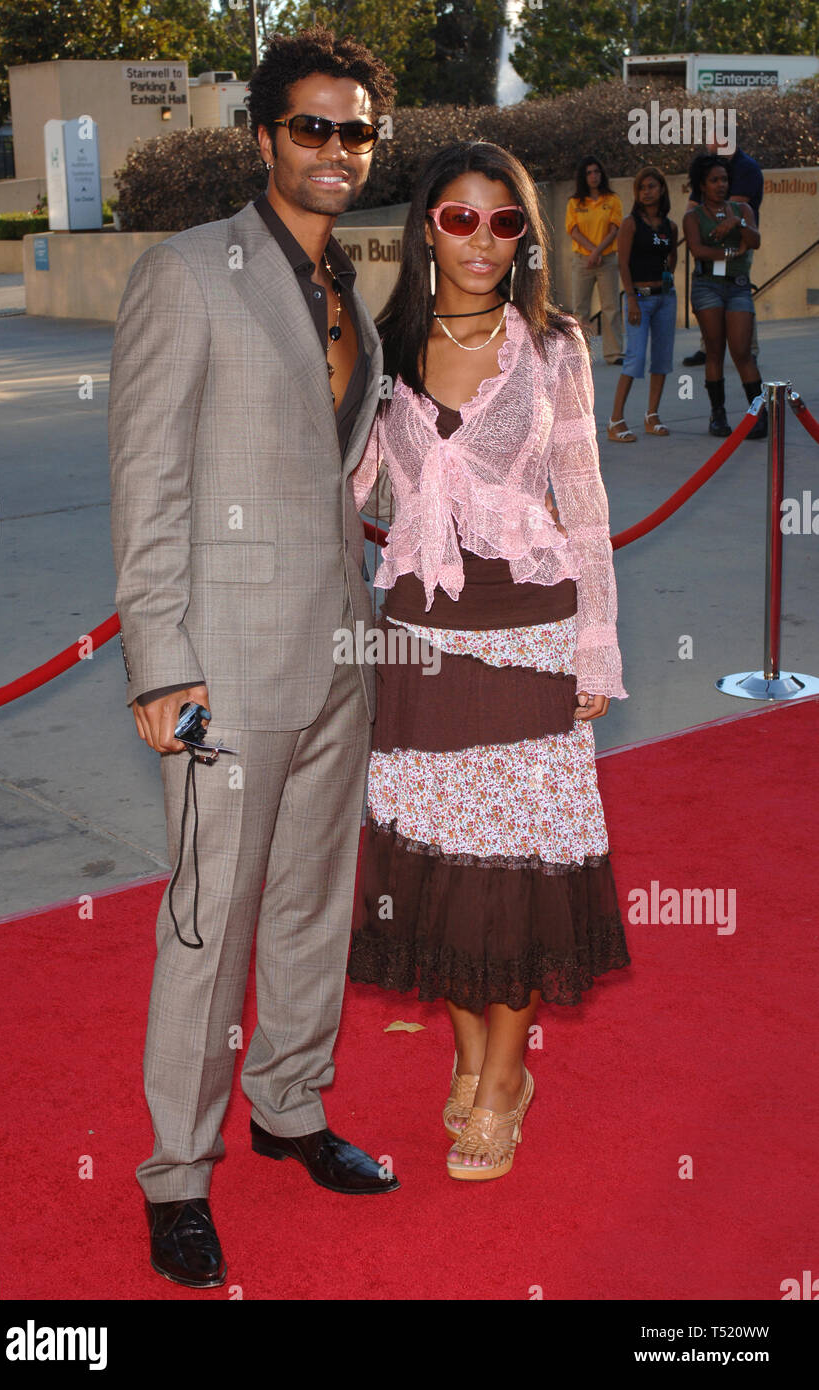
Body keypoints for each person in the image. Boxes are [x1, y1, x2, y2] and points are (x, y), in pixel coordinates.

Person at [108, 26, 400, 1292]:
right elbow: (147, 482)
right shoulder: (190, 271)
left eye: (356, 131)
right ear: (265, 137)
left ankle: (287, 1105)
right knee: (204, 921)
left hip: (340, 645)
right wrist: (160, 663)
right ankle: (176, 1172)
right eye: (312, 127)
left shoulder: (347, 287)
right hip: (222, 662)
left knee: (309, 899)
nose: (336, 150)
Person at [348, 141, 631, 1183]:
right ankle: (471, 1056)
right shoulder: (386, 348)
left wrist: (595, 642)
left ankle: (503, 1078)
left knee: (511, 871)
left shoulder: (553, 345)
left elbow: (584, 503)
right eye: (458, 219)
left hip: (528, 634)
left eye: (502, 220)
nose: (480, 240)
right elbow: (354, 484)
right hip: (417, 639)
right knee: (441, 866)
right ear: (426, 226)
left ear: (526, 235)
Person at [682, 153, 765, 440]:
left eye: (725, 179)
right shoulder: (693, 216)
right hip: (707, 286)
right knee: (714, 349)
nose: (721, 185)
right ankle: (718, 416)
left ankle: (759, 414)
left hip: (739, 286)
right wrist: (733, 252)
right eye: (714, 180)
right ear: (702, 185)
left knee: (742, 351)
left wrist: (737, 225)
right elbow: (698, 250)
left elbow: (755, 241)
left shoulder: (742, 209)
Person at [608, 166, 678, 443]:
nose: (647, 192)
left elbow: (672, 256)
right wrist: (632, 299)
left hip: (665, 298)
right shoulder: (630, 223)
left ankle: (652, 416)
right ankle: (615, 420)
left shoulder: (670, 226)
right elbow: (622, 263)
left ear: (662, 189)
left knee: (662, 359)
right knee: (635, 358)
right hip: (640, 298)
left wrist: (667, 278)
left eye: (652, 186)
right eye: (642, 187)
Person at [683, 142, 763, 367]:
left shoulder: (746, 167)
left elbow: (737, 202)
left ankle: (749, 349)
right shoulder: (709, 165)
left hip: (740, 243)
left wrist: (732, 222)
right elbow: (694, 204)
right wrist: (698, 223)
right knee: (711, 305)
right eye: (714, 180)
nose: (711, 146)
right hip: (712, 264)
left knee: (740, 299)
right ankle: (706, 347)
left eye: (723, 180)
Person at [565, 155, 624, 365]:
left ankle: (614, 353)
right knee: (580, 310)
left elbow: (614, 229)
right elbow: (573, 230)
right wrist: (592, 252)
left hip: (606, 260)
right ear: (583, 176)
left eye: (597, 172)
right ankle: (580, 355)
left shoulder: (612, 200)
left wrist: (597, 252)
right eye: (589, 172)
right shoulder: (574, 202)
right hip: (583, 261)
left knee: (611, 307)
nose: (593, 176)